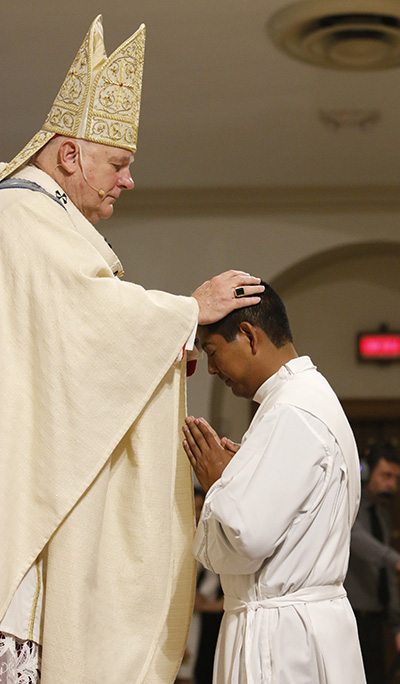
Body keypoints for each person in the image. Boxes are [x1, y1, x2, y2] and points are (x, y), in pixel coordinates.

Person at [0, 16, 264, 684]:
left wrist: (164, 338)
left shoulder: (37, 221)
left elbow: (75, 350)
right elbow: (87, 325)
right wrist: (188, 309)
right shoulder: (23, 217)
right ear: (69, 157)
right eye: (117, 164)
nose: (128, 180)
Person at [182, 282, 366, 683]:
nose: (211, 370)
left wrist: (218, 485)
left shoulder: (291, 411)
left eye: (212, 352)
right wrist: (240, 478)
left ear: (248, 335)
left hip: (283, 641)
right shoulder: (303, 400)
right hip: (297, 626)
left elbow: (246, 539)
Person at [345, 441, 400, 684]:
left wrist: (397, 625)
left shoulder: (382, 516)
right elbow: (356, 539)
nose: (392, 484)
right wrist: (395, 560)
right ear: (366, 472)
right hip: (349, 619)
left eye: (396, 478)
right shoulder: (349, 508)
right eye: (386, 475)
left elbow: (385, 575)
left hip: (375, 621)